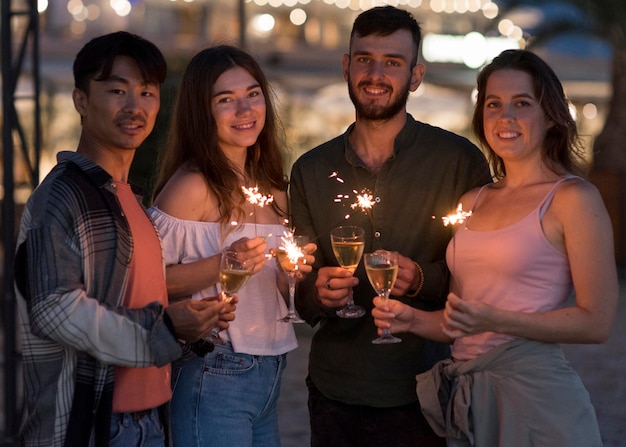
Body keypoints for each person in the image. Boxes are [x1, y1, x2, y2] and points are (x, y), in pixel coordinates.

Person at [372, 49, 619, 446]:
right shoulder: (471, 202)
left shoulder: (573, 199)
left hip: (537, 400)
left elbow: (597, 322)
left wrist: (494, 319)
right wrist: (410, 319)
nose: (506, 117)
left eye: (522, 103)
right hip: (470, 401)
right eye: (493, 104)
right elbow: (462, 320)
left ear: (552, 115)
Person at [14, 32, 236, 447]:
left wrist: (191, 322)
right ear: (81, 100)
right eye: (117, 90)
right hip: (96, 423)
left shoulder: (128, 199)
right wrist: (166, 326)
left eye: (147, 92)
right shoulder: (61, 197)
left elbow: (136, 303)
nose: (135, 107)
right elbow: (55, 310)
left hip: (151, 419)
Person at [289, 6, 491, 446]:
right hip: (333, 389)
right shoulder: (310, 168)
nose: (375, 73)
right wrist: (316, 292)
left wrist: (421, 278)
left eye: (392, 62)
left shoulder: (459, 162)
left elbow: (483, 281)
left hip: (426, 389)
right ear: (346, 66)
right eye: (363, 58)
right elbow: (299, 289)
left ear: (415, 76)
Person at [149, 45, 316, 447]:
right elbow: (147, 282)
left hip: (273, 371)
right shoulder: (191, 186)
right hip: (214, 370)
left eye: (253, 93)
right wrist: (224, 263)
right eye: (226, 100)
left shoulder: (274, 188)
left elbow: (274, 287)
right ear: (201, 111)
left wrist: (291, 277)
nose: (245, 110)